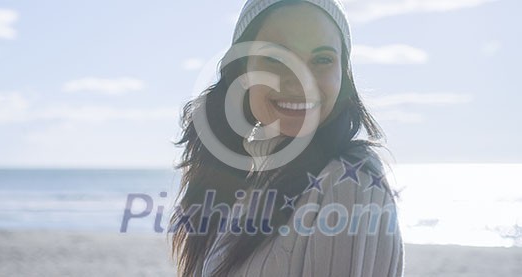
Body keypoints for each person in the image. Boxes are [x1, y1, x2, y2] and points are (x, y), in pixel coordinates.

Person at [171, 0, 404, 276]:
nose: (300, 81)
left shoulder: (350, 182)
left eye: (322, 60)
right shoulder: (246, 176)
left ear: (343, 74)